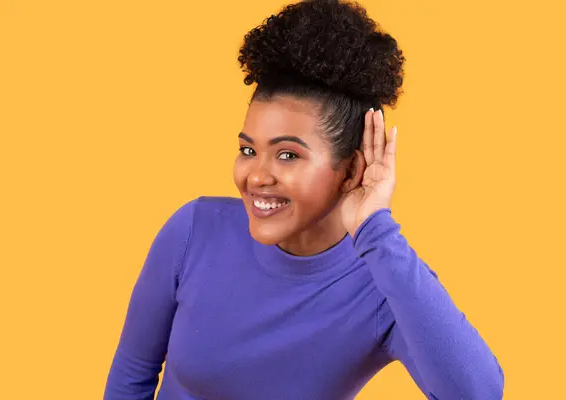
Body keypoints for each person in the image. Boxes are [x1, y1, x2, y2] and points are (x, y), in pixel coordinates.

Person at [103, 0, 504, 399]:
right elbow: (131, 373)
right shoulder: (193, 231)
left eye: (288, 155)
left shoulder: (381, 284)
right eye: (247, 150)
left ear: (351, 171)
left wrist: (377, 232)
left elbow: (478, 394)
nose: (256, 176)